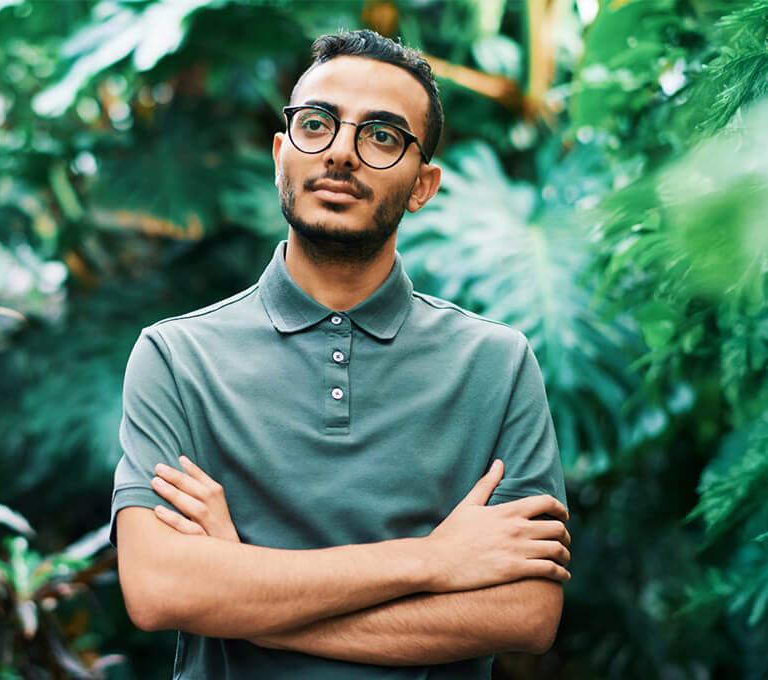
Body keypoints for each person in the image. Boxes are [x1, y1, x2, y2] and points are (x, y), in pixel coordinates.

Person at [111, 29, 570, 680]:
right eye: (318, 124)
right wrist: (435, 560)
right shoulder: (177, 357)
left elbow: (524, 614)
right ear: (280, 155)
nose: (341, 154)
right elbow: (162, 590)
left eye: (382, 136)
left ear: (423, 184)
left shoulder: (497, 363)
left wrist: (241, 592)